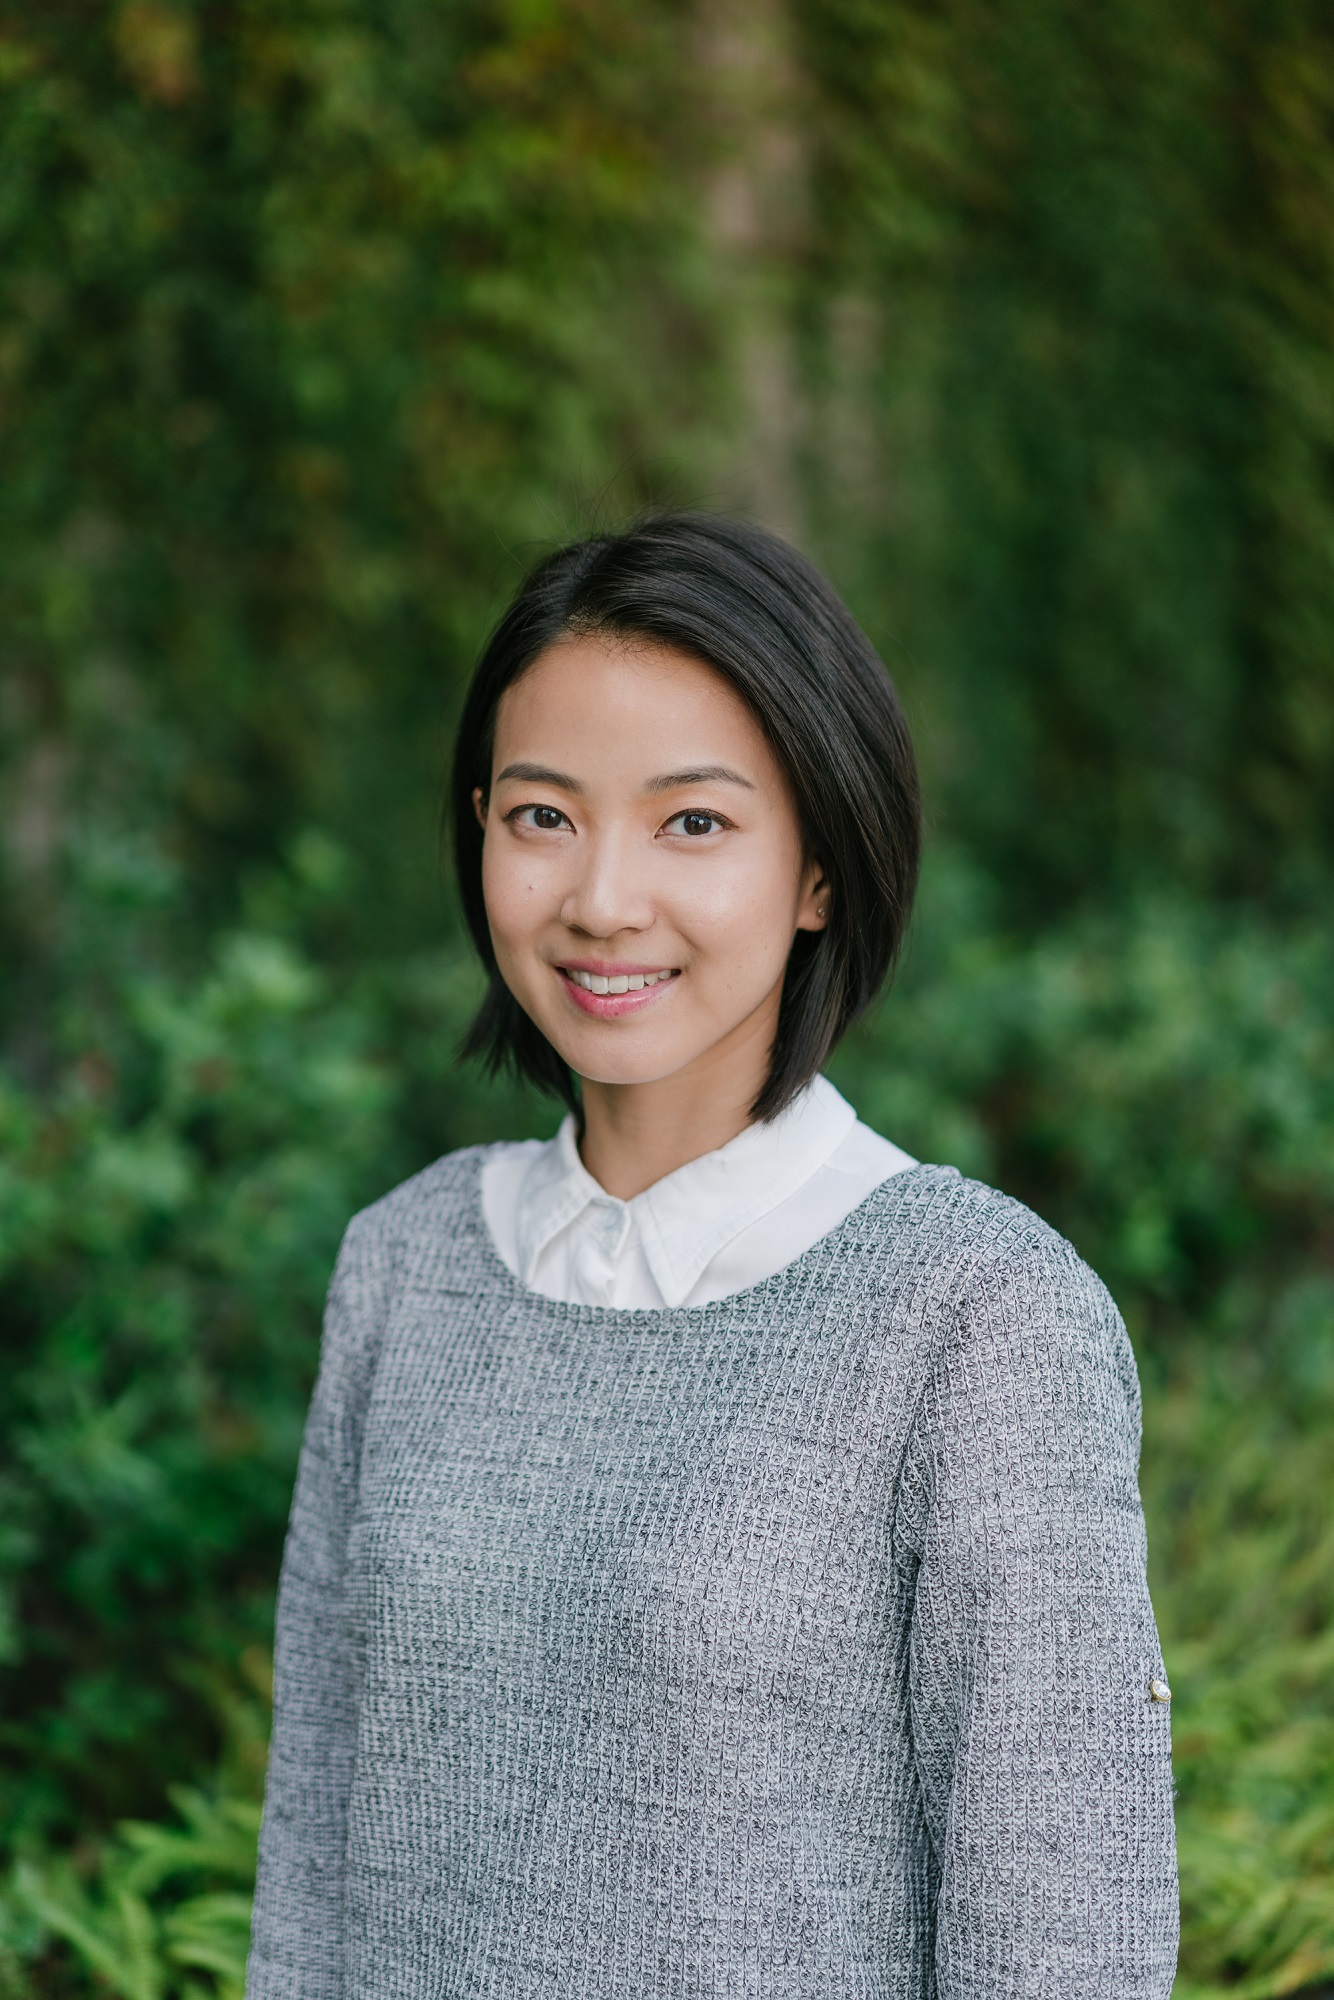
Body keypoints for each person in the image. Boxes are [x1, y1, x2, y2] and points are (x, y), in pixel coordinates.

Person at [246, 514, 1179, 1998]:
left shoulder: (975, 1312)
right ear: (478, 826)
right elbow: (312, 1851)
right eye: (542, 816)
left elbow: (1060, 1932)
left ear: (819, 868)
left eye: (693, 823)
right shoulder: (402, 1264)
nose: (602, 898)